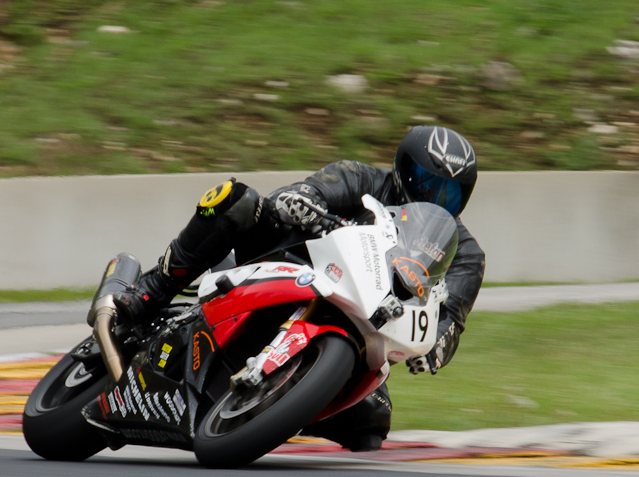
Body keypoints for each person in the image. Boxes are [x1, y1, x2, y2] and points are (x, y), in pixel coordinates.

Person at [109, 125, 485, 451]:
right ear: (403, 171)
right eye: (428, 184)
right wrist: (302, 203)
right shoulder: (361, 177)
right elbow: (302, 192)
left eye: (450, 194)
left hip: (360, 325)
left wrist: (434, 347)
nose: (435, 200)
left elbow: (450, 319)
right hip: (287, 262)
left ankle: (280, 402)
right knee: (236, 200)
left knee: (371, 423)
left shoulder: (465, 254)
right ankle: (152, 290)